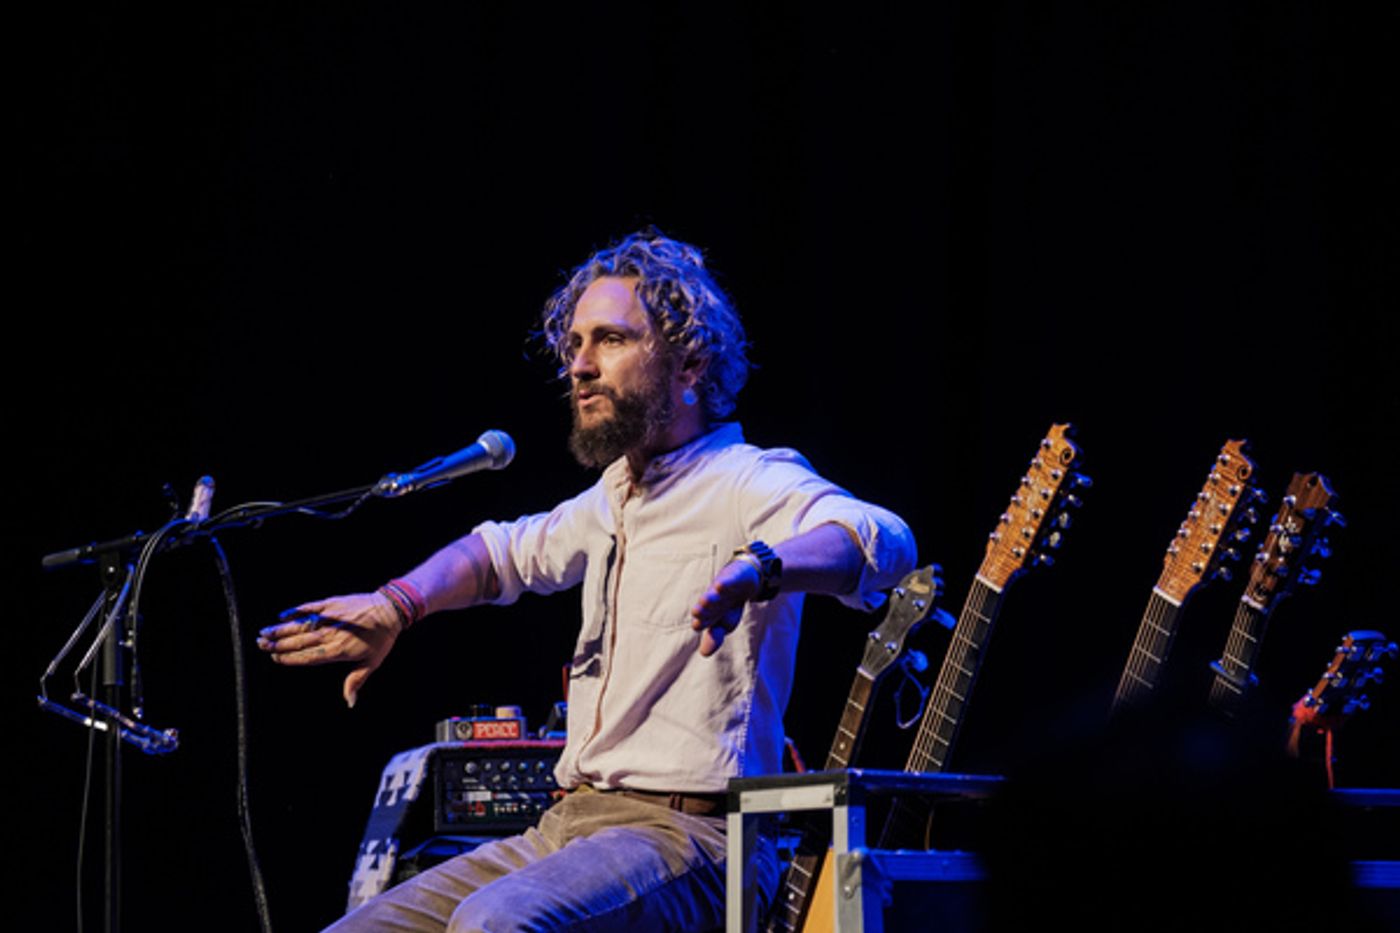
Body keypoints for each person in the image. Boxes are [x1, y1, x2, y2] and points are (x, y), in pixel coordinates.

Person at [256, 230, 918, 932]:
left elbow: (882, 539)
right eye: (573, 345)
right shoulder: (609, 498)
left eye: (609, 339)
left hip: (694, 838)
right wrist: (397, 604)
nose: (580, 366)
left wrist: (760, 567)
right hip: (566, 825)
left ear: (690, 363)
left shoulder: (748, 480)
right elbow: (496, 556)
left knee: (496, 924)